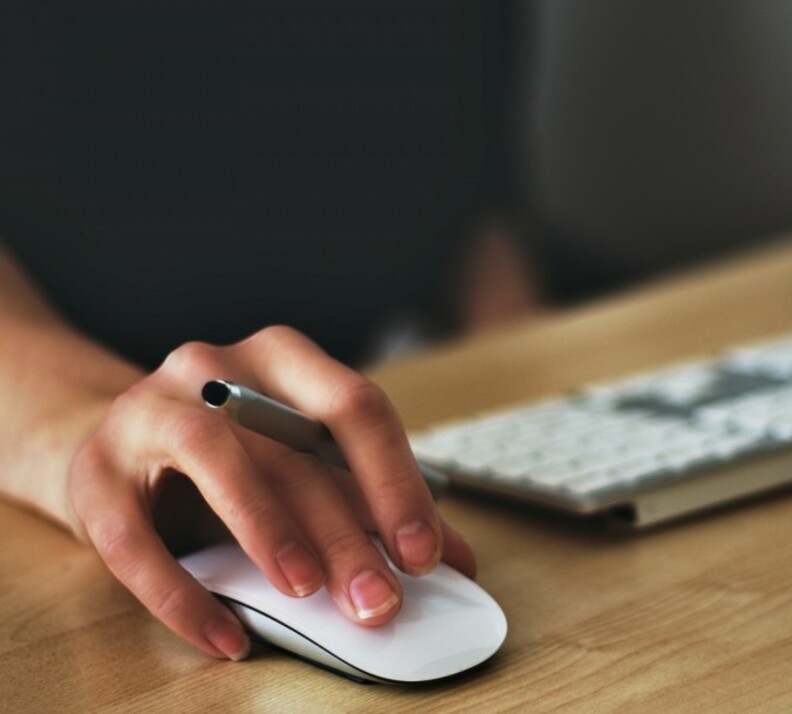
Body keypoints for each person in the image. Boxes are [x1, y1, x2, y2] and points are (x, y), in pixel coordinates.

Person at [0, 2, 535, 662]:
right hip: (82, 386)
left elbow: (477, 194)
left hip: (347, 433)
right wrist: (85, 427)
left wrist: (530, 404)